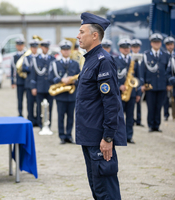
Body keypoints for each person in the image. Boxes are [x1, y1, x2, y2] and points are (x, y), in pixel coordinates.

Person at [76, 12, 126, 199]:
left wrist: (108, 137)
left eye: (82, 32)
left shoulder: (103, 61)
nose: (78, 36)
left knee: (106, 192)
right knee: (98, 190)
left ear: (94, 35)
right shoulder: (90, 59)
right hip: (89, 136)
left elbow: (111, 102)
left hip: (99, 138)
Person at [49, 39, 80, 144]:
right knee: (61, 116)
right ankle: (62, 136)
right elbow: (50, 78)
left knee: (71, 117)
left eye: (67, 49)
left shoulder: (75, 64)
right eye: (64, 49)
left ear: (70, 51)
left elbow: (80, 79)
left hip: (72, 95)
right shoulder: (55, 63)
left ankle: (69, 135)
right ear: (61, 51)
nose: (66, 51)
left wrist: (72, 81)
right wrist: (61, 80)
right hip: (60, 94)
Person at [141, 33, 170, 132]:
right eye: (154, 42)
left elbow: (168, 71)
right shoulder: (146, 55)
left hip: (162, 85)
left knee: (159, 107)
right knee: (151, 106)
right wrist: (143, 84)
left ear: (161, 43)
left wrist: (169, 84)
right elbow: (143, 71)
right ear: (151, 43)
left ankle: (157, 125)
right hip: (150, 86)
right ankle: (150, 125)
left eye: (158, 42)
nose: (156, 44)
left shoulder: (165, 55)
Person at [115, 38, 141, 144]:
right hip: (119, 93)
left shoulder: (134, 61)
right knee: (118, 117)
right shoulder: (114, 60)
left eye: (127, 47)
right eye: (124, 48)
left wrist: (138, 93)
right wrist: (119, 86)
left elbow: (139, 78)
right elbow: (112, 77)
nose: (126, 49)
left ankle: (129, 136)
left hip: (132, 93)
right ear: (120, 48)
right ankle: (119, 136)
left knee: (130, 117)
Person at [30, 40, 55, 128]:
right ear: (41, 48)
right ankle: (41, 124)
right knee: (39, 107)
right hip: (39, 87)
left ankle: (48, 124)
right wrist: (33, 87)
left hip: (49, 87)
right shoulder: (36, 59)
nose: (46, 49)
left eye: (47, 47)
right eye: (44, 47)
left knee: (50, 107)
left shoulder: (52, 59)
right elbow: (33, 74)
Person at [22, 39, 39, 126]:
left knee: (38, 104)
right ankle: (31, 119)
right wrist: (31, 67)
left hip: (38, 84)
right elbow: (23, 68)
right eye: (33, 47)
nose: (34, 49)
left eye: (35, 47)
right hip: (29, 84)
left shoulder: (39, 57)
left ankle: (38, 120)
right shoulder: (27, 58)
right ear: (30, 48)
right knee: (30, 103)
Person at [131, 39, 144, 126]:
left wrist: (143, 84)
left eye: (137, 47)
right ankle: (132, 120)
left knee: (139, 102)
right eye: (134, 47)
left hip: (140, 82)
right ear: (132, 48)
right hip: (132, 83)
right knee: (131, 104)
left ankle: (139, 120)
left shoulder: (143, 57)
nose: (135, 49)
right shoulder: (129, 57)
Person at [11, 38, 26, 117]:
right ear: (16, 46)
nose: (20, 47)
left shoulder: (26, 55)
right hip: (19, 81)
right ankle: (20, 113)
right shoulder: (14, 56)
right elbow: (12, 69)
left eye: (21, 45)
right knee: (20, 99)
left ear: (23, 46)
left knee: (30, 100)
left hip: (27, 80)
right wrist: (12, 82)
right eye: (18, 45)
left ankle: (30, 115)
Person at [163, 36, 175, 121]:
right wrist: (168, 83)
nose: (170, 46)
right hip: (167, 80)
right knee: (166, 99)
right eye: (168, 45)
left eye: (171, 44)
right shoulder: (164, 55)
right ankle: (166, 114)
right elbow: (164, 71)